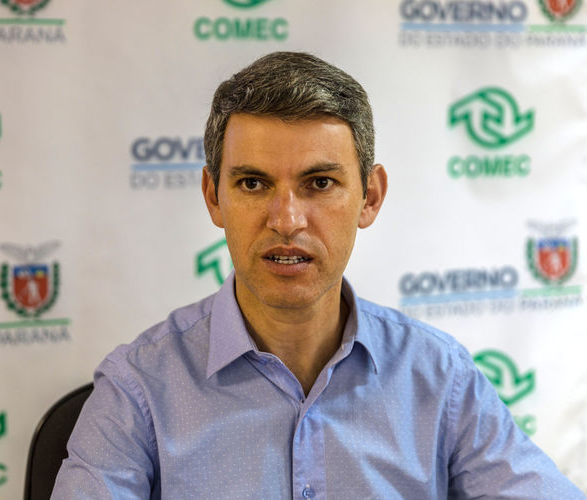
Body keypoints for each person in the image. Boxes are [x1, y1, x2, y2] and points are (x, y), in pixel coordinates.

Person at [52, 52, 584, 499]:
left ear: (369, 197)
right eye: (254, 183)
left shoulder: (440, 377)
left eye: (320, 183)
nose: (286, 220)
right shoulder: (138, 389)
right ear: (213, 197)